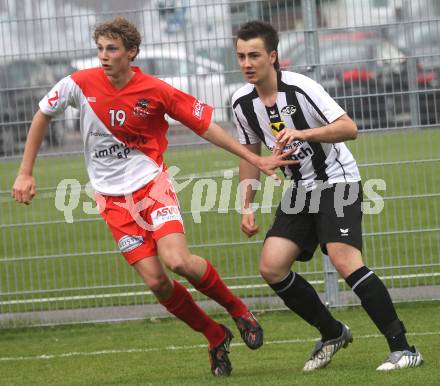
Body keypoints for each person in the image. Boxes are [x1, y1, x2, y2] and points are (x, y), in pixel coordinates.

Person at [11, 17, 297, 377]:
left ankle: (238, 309)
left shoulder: (155, 89)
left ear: (131, 52)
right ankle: (215, 335)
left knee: (177, 261)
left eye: (112, 49)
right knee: (156, 282)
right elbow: (42, 114)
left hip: (152, 186)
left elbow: (205, 126)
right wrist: (25, 171)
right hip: (111, 200)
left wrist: (253, 157)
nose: (103, 56)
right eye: (100, 48)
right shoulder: (78, 84)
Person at [231, 20, 423, 372]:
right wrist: (247, 206)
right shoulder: (241, 102)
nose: (247, 63)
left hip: (338, 181)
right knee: (271, 266)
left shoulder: (302, 88)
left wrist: (304, 133)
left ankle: (403, 349)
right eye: (241, 56)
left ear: (272, 57)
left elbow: (350, 128)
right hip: (300, 189)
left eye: (254, 55)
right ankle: (332, 332)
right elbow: (249, 153)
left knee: (344, 260)